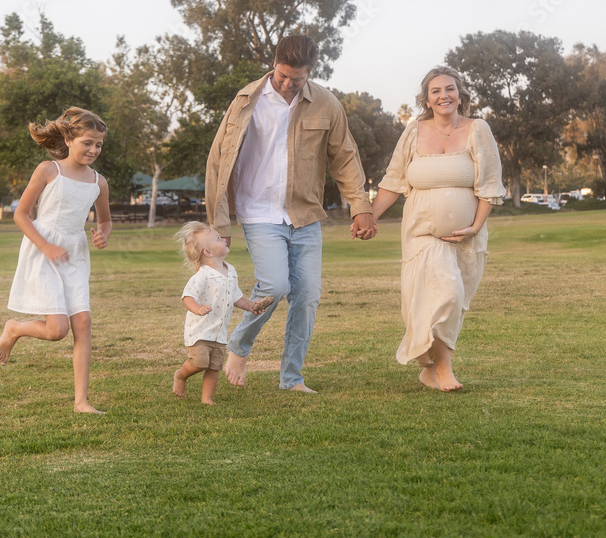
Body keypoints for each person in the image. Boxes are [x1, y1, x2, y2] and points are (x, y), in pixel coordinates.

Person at [205, 34, 376, 393]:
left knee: (308, 294)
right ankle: (239, 345)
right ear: (274, 64)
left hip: (304, 213)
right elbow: (218, 160)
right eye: (282, 75)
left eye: (296, 79)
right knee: (275, 285)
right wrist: (219, 222)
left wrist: (360, 207)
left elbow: (345, 156)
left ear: (310, 72)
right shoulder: (245, 100)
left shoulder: (326, 104)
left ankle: (291, 378)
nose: (287, 84)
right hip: (257, 210)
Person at [370, 66, 505, 392]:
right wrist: (368, 216)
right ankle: (443, 369)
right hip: (421, 233)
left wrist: (474, 226)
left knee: (450, 301)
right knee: (444, 293)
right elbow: (394, 180)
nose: (444, 95)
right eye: (436, 91)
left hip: (465, 237)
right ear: (426, 99)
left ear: (460, 94)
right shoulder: (414, 131)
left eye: (449, 89)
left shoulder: (477, 129)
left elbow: (490, 184)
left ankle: (429, 367)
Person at [0, 107, 112, 414]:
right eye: (88, 142)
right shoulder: (49, 170)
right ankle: (15, 328)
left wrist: (102, 234)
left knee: (83, 323)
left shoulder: (99, 182)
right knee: (57, 330)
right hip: (43, 250)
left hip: (75, 254)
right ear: (70, 138)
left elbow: (105, 221)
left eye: (98, 145)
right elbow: (21, 215)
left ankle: (81, 402)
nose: (93, 150)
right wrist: (46, 246)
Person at [172, 221, 270, 405]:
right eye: (218, 238)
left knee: (214, 367)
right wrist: (198, 309)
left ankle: (207, 398)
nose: (224, 239)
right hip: (200, 331)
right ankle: (180, 376)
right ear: (207, 253)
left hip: (220, 332)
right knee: (199, 363)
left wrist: (250, 305)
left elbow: (235, 296)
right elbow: (187, 296)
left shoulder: (230, 270)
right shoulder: (203, 275)